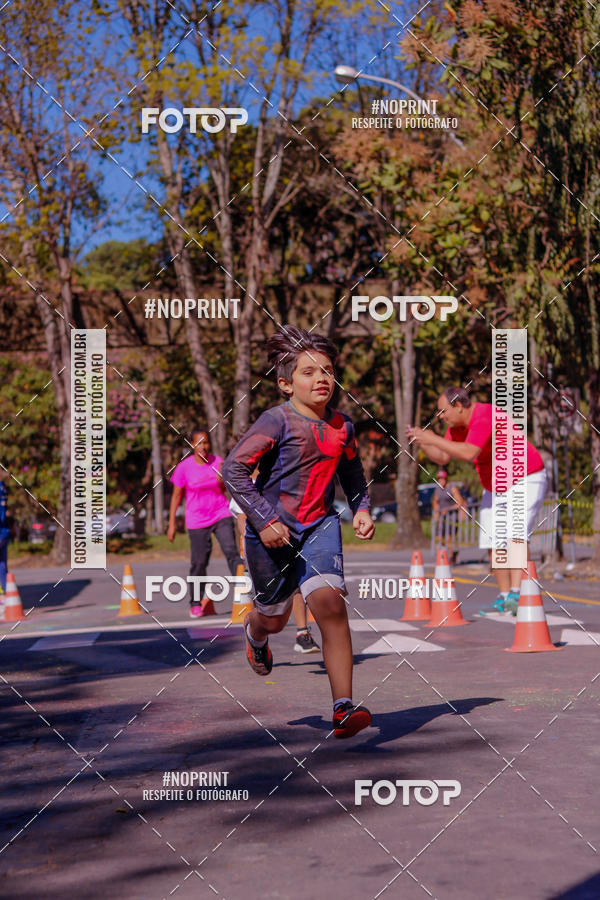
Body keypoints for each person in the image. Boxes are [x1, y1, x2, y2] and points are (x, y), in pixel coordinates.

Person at [222, 325, 376, 738]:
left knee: (330, 604)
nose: (322, 378)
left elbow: (353, 472)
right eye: (309, 372)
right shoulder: (275, 421)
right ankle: (255, 634)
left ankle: (343, 706)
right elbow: (233, 469)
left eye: (327, 370)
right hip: (272, 533)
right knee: (275, 618)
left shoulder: (344, 426)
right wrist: (265, 520)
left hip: (321, 526)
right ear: (286, 383)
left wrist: (361, 508)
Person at [407, 386, 547, 615]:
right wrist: (422, 442)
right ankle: (504, 597)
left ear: (459, 406)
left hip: (525, 476)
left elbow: (469, 452)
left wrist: (431, 437)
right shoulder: (457, 427)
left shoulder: (485, 415)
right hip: (496, 484)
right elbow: (443, 456)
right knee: (493, 537)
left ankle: (517, 593)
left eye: (443, 412)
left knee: (516, 534)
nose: (441, 417)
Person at [230, 491, 320, 654]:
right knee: (263, 600)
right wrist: (257, 538)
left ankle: (302, 633)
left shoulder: (283, 479)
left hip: (288, 541)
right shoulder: (243, 481)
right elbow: (242, 521)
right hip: (259, 549)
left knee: (297, 583)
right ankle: (259, 637)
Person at [168, 428, 242, 618]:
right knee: (199, 562)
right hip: (196, 519)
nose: (203, 446)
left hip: (220, 513)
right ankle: (195, 602)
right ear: (192, 445)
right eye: (199, 443)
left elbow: (226, 489)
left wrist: (222, 481)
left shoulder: (218, 463)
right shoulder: (184, 468)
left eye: (206, 442)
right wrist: (171, 524)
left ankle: (244, 594)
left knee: (232, 552)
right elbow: (176, 496)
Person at [432, 470, 466, 565]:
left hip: (451, 517)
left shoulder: (452, 488)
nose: (441, 481)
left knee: (449, 537)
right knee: (439, 537)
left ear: (446, 479)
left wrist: (448, 509)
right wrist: (436, 515)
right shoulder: (437, 489)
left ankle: (452, 556)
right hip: (442, 517)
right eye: (439, 479)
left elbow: (460, 502)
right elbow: (435, 502)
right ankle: (442, 555)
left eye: (442, 479)